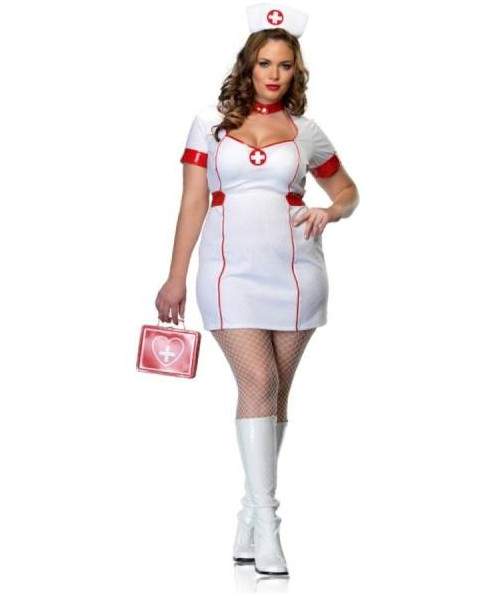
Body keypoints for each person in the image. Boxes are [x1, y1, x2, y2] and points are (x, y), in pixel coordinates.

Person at [155, 2, 359, 577]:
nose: (274, 74)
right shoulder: (210, 123)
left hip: (297, 274)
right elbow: (193, 201)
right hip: (228, 274)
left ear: (297, 71)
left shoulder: (307, 132)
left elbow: (348, 191)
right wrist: (175, 276)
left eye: (285, 65)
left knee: (277, 395)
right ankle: (269, 522)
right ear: (247, 65)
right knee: (259, 382)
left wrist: (330, 212)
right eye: (265, 63)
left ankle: (249, 512)